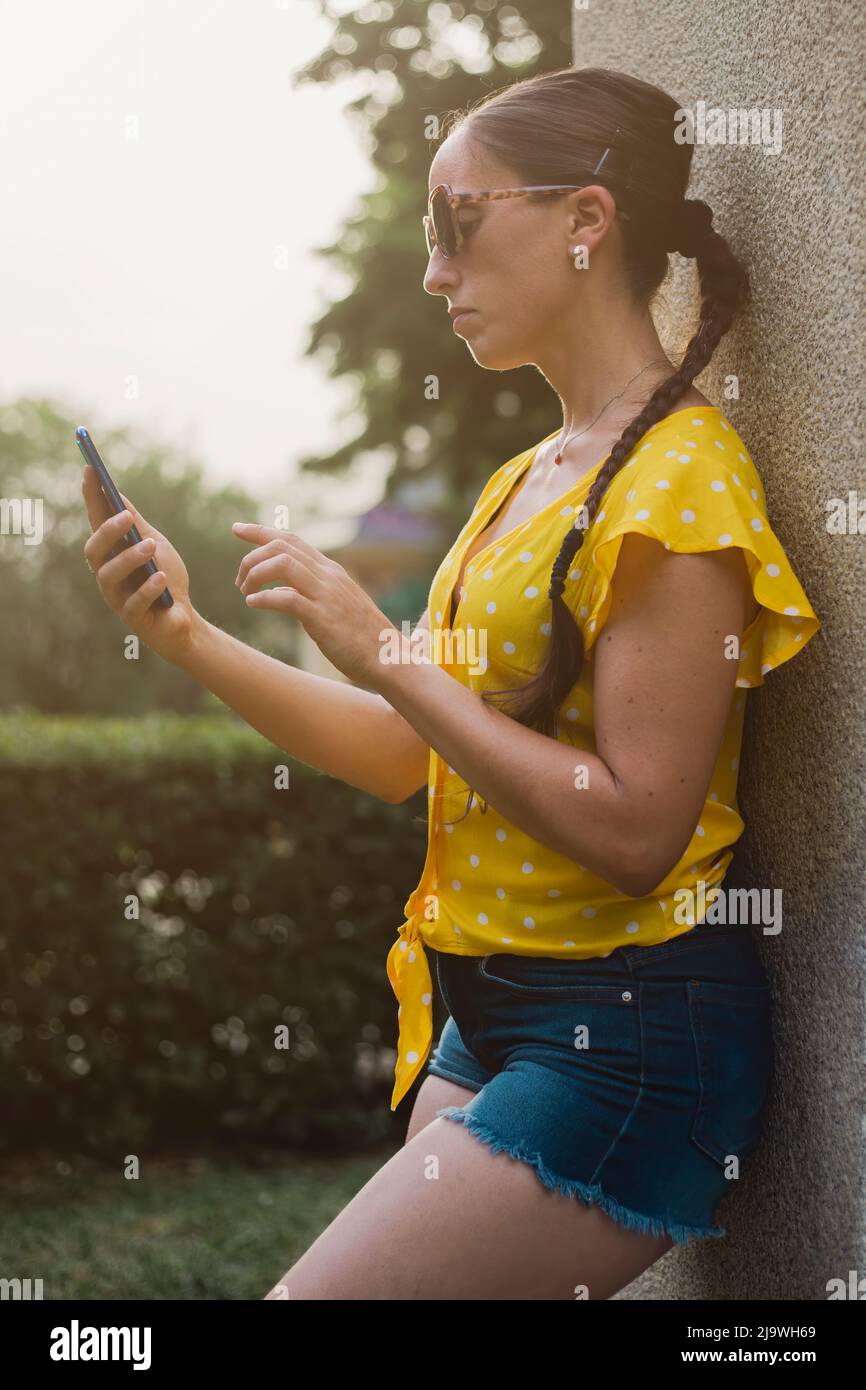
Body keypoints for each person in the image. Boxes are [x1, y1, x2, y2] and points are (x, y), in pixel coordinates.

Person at [83, 66, 820, 1300]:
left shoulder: (680, 478)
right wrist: (190, 638)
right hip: (489, 1015)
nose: (433, 272)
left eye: (457, 224)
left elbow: (639, 826)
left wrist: (384, 649)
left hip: (628, 1035)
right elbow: (401, 750)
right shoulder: (522, 479)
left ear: (586, 220)